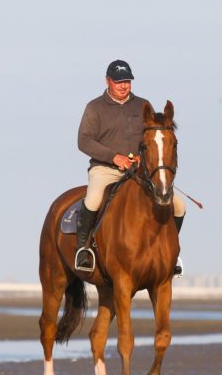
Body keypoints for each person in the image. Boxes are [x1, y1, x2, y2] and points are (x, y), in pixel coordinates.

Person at [75, 59, 186, 274]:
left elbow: (152, 139)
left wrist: (142, 159)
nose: (124, 86)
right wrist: (114, 157)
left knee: (179, 206)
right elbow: (84, 141)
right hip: (105, 169)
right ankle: (84, 249)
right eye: (119, 82)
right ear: (108, 81)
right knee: (94, 198)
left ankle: (171, 252)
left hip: (137, 171)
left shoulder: (143, 105)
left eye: (127, 81)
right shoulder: (94, 107)